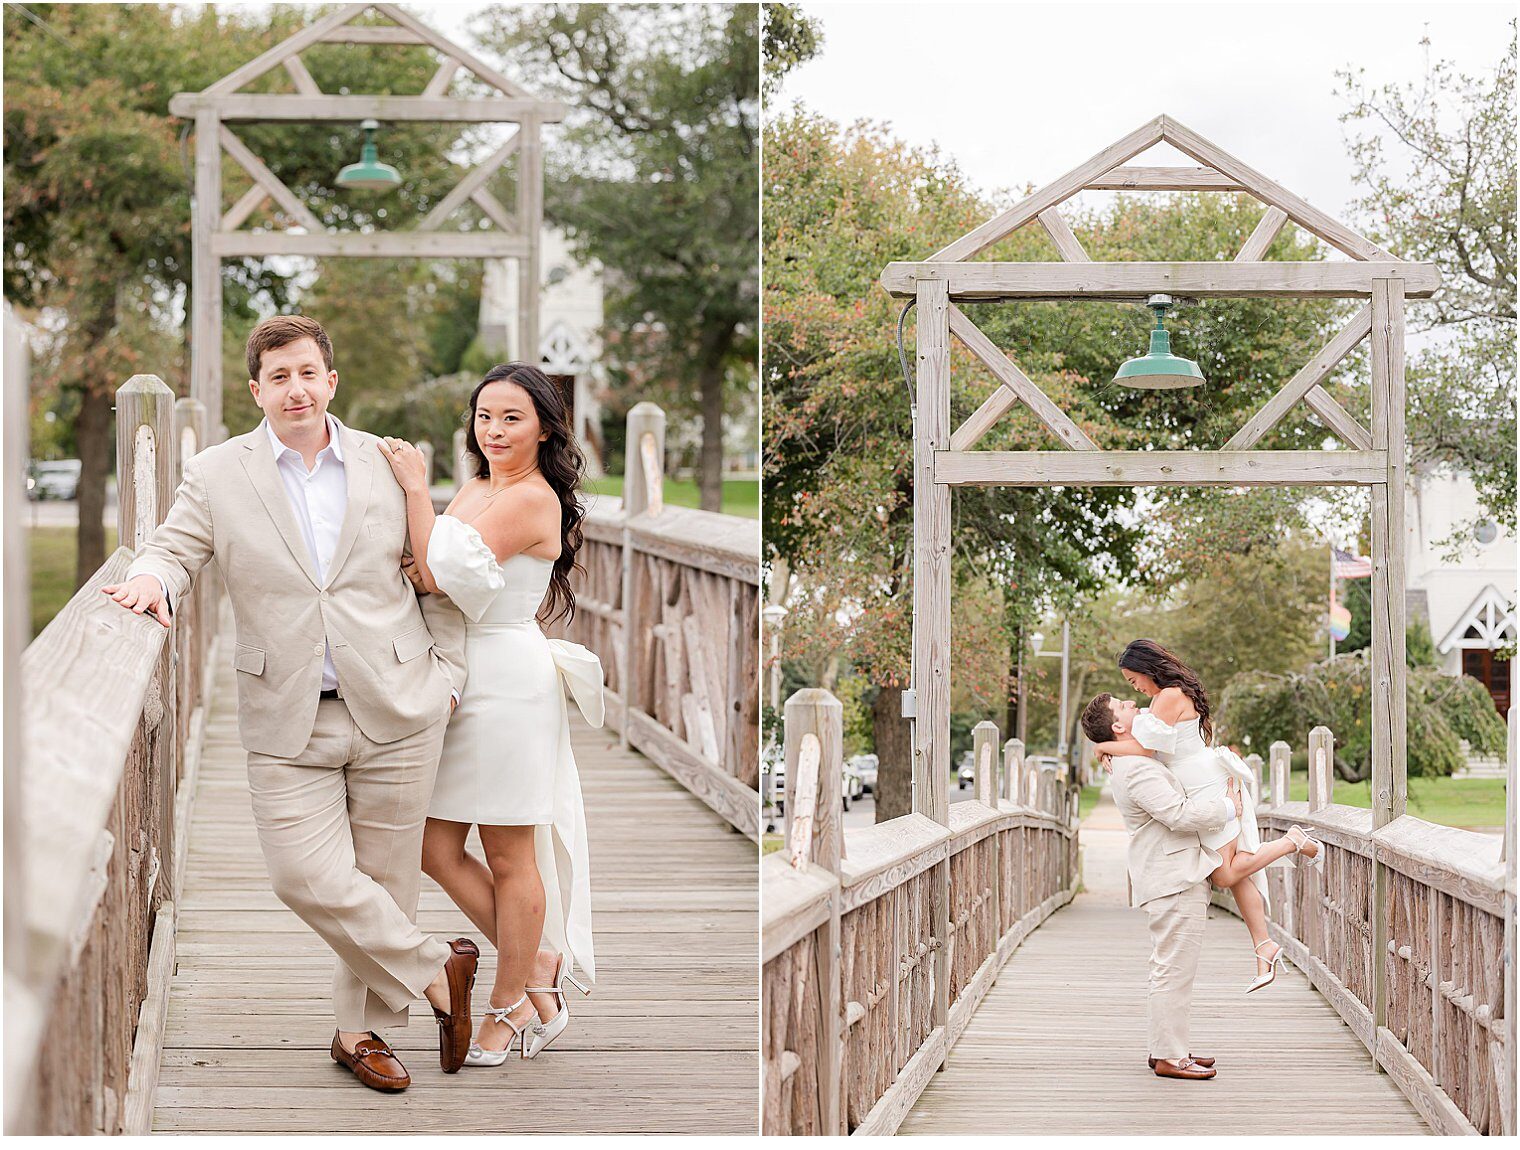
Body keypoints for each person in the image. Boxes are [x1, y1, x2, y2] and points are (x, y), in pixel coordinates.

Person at [101, 315, 479, 1092]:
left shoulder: (388, 461)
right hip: (285, 709)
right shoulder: (216, 472)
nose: (296, 389)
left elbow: (432, 565)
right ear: (257, 390)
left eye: (308, 372)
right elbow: (175, 548)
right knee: (301, 877)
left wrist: (449, 674)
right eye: (279, 377)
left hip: (401, 701)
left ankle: (358, 1032)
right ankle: (440, 971)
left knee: (381, 884)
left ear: (330, 381)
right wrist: (150, 578)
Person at [377, 362, 600, 1066]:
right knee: (433, 847)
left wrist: (416, 489)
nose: (495, 430)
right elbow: (423, 566)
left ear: (544, 427)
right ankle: (540, 969)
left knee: (510, 853)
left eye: (512, 418)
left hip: (507, 681)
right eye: (485, 417)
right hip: (454, 675)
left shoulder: (533, 500)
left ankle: (510, 1008)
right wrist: (424, 542)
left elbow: (439, 573)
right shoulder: (477, 487)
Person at [1086, 639, 1321, 993]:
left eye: (1134, 680)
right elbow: (1144, 746)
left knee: (1225, 874)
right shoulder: (1159, 700)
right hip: (1197, 788)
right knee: (1237, 871)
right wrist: (1111, 748)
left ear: (1147, 669)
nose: (1135, 688)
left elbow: (1147, 749)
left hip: (1209, 787)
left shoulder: (1168, 696)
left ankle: (1292, 841)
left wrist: (1103, 746)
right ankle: (1264, 947)